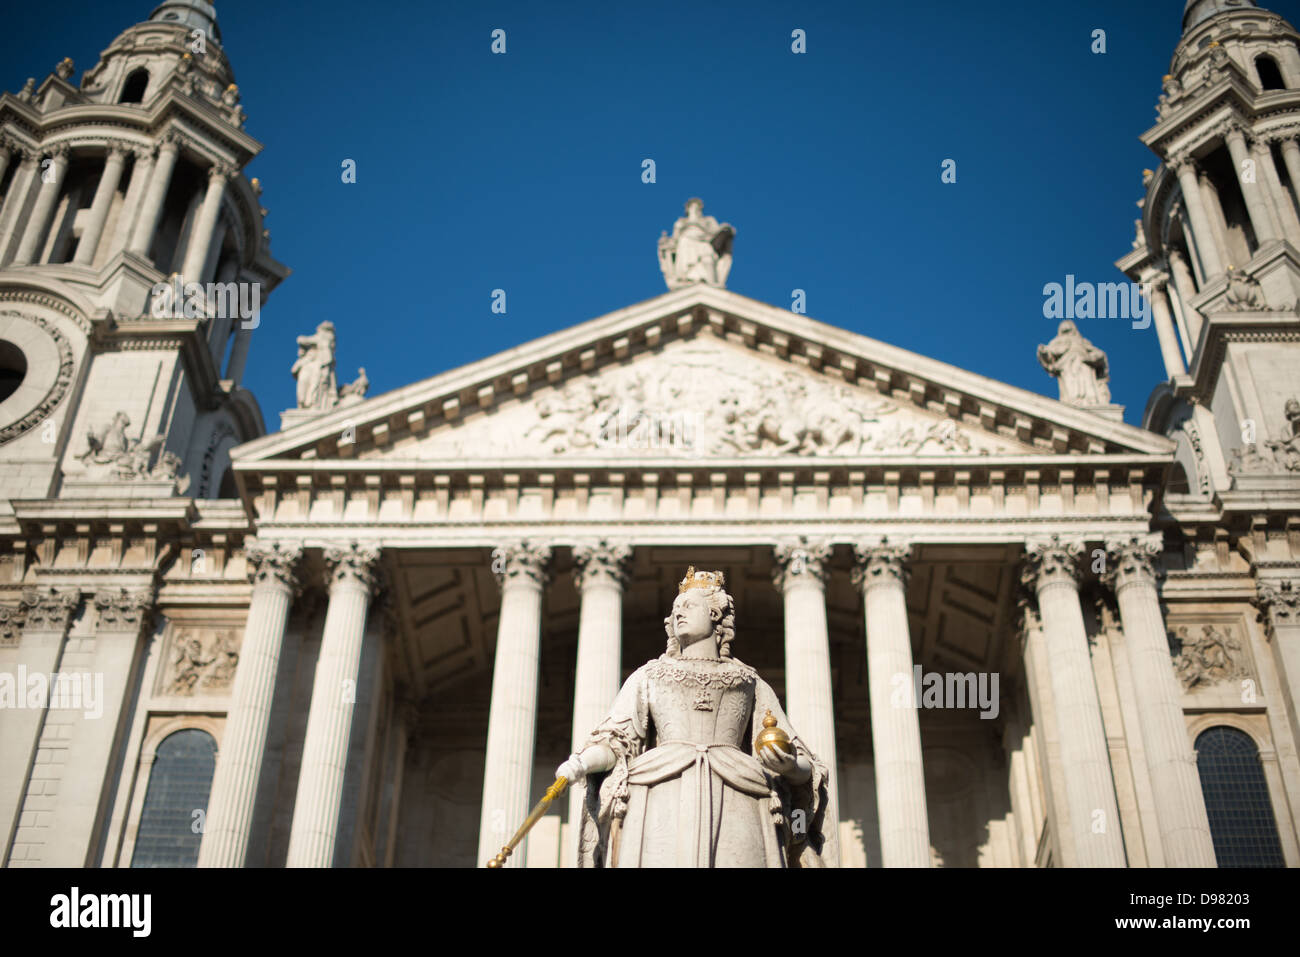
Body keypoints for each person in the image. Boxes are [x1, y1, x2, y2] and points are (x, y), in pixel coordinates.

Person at [558, 566, 829, 867]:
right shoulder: (649, 676)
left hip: (740, 796)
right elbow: (616, 741)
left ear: (715, 614)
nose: (679, 614)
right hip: (658, 793)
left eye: (688, 606)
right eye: (675, 610)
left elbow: (807, 766)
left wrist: (790, 766)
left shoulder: (748, 681)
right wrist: (582, 762)